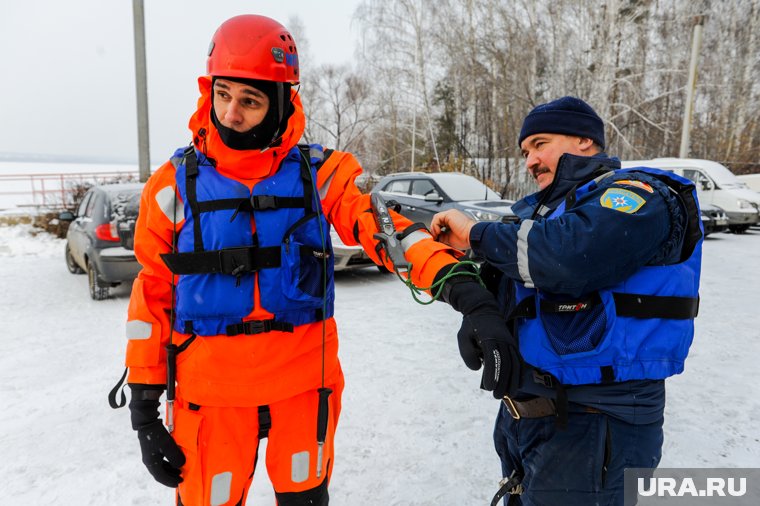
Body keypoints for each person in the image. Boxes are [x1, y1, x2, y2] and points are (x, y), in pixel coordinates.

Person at [117, 14, 517, 506]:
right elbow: (151, 295)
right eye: (223, 95)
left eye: (250, 101)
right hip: (210, 395)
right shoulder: (172, 186)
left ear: (282, 103)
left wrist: (467, 292)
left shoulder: (320, 175)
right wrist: (143, 406)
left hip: (303, 390)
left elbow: (387, 231)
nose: (232, 114)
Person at [431, 97, 702, 505]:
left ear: (584, 139)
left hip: (599, 423)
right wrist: (481, 310)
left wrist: (474, 234)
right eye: (525, 151)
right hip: (531, 419)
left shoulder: (640, 195)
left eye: (540, 143)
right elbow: (519, 278)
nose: (530, 161)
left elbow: (569, 256)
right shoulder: (543, 212)